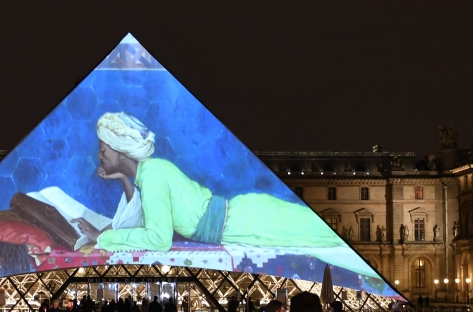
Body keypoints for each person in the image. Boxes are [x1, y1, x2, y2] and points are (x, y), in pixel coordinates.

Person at [73, 112, 376, 279]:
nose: (99, 157)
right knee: (327, 241)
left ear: (121, 150)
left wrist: (105, 239)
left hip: (246, 223)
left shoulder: (151, 176)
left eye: (102, 150)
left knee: (329, 240)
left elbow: (157, 239)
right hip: (244, 217)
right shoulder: (151, 172)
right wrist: (123, 177)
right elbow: (139, 219)